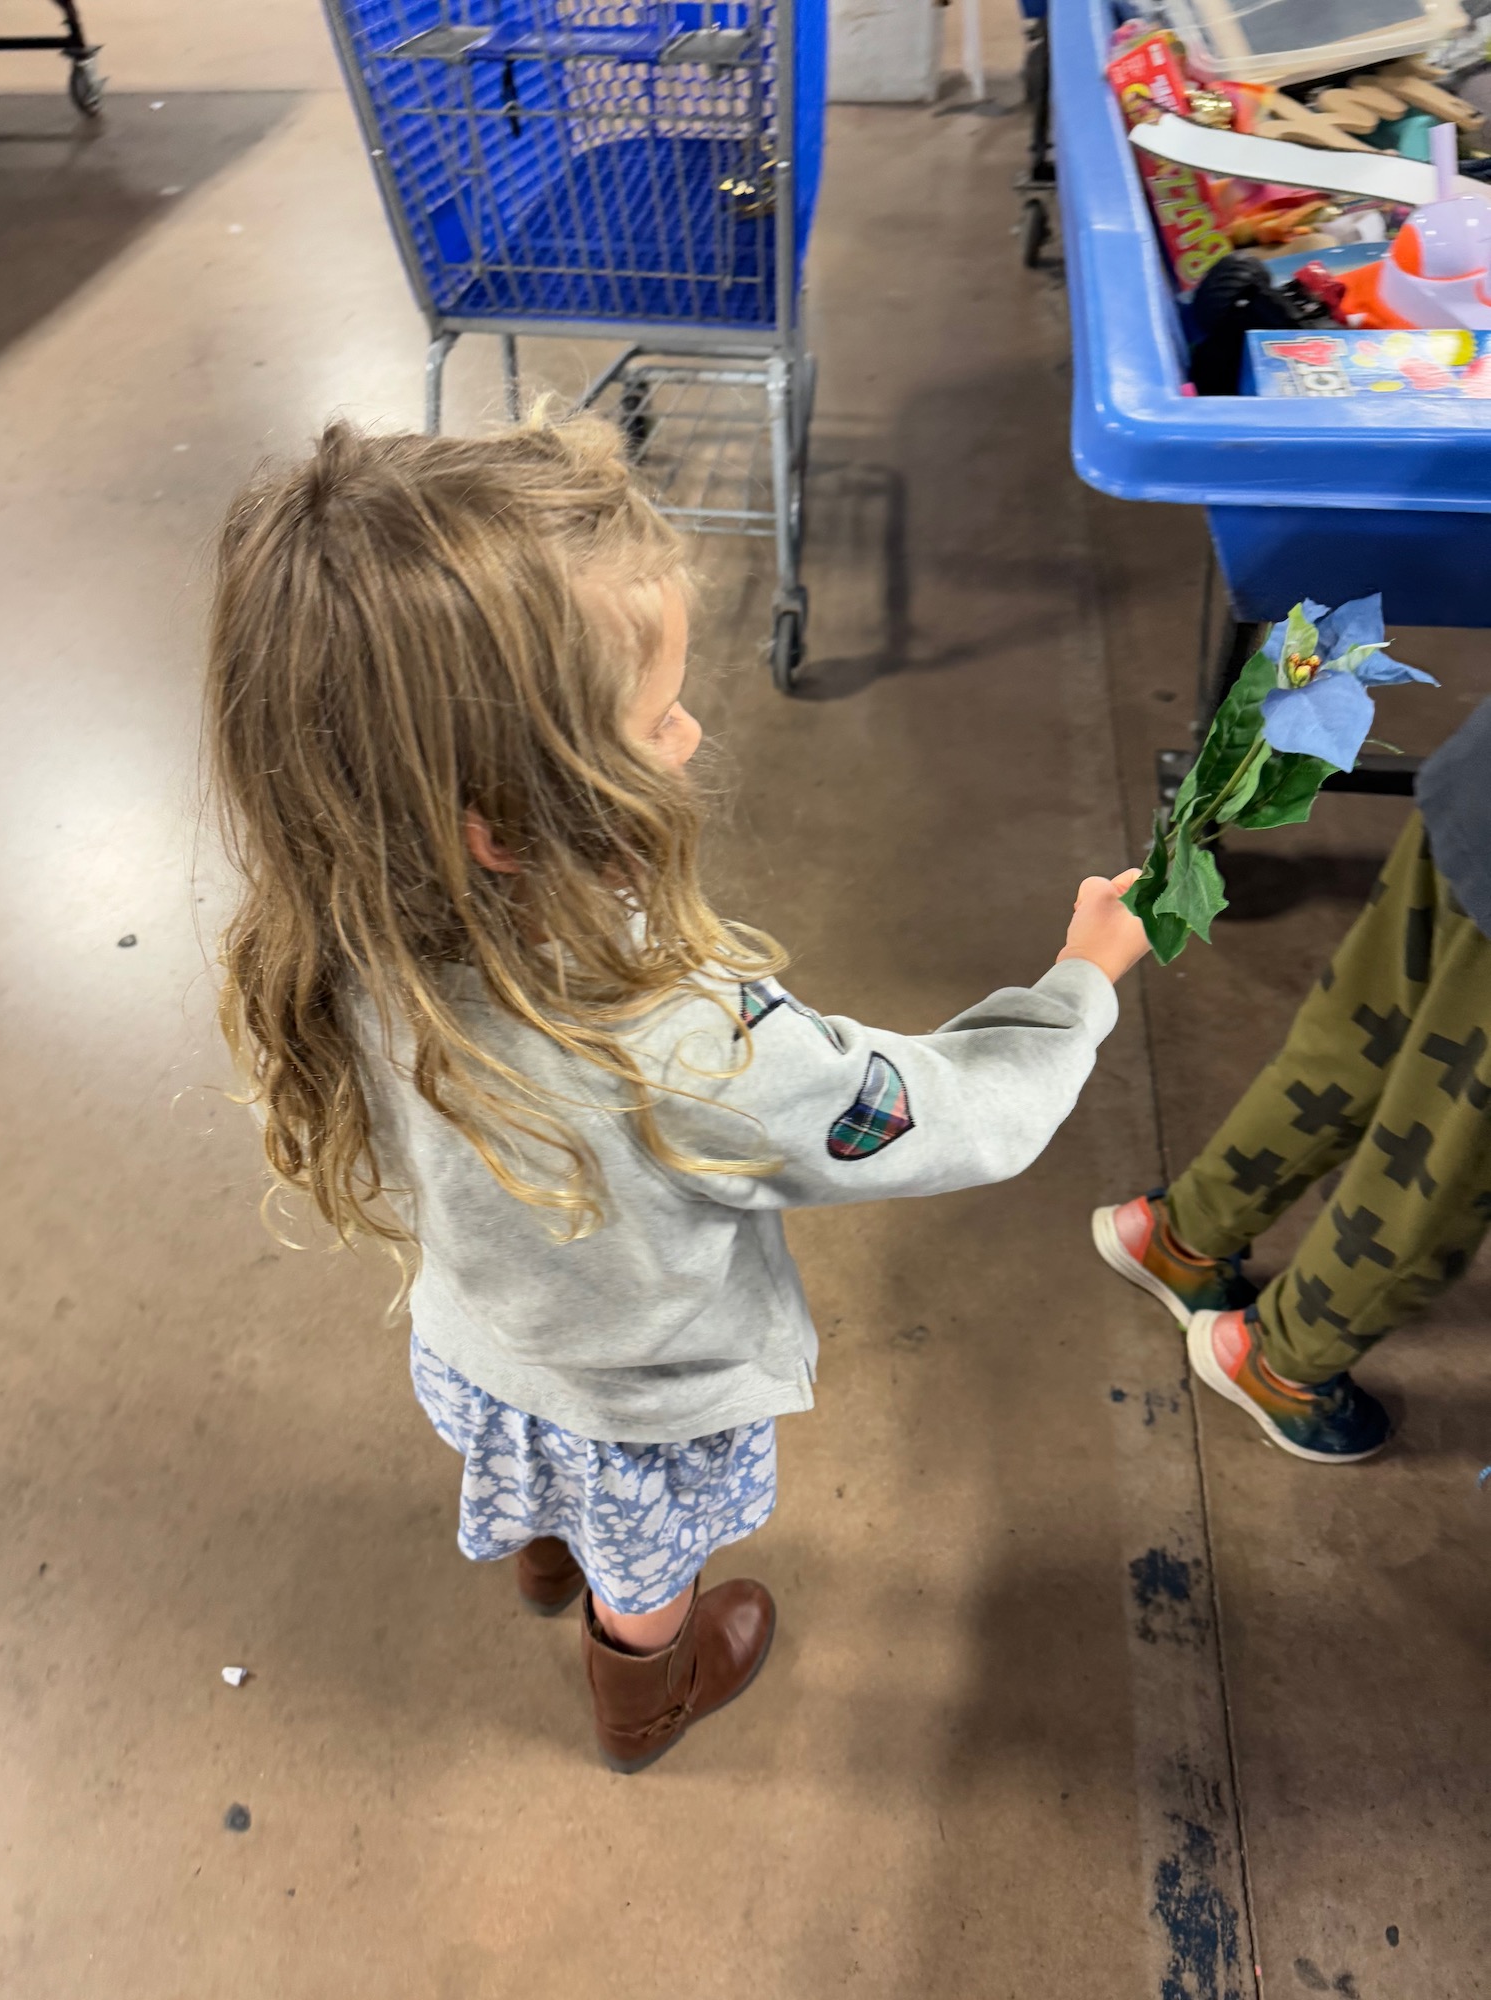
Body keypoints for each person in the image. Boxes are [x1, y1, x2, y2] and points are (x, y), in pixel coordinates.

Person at [207, 413, 1150, 1773]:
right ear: (495, 817)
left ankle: (542, 1555)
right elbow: (951, 1114)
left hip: (479, 1345)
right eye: (655, 720)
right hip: (641, 1400)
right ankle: (646, 1689)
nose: (691, 729)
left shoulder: (342, 923)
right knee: (645, 1571)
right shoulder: (692, 1045)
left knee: (539, 1477)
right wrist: (1077, 985)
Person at [1094, 698, 1491, 1466]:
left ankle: (1181, 1234)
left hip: (1478, 789)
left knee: (1356, 1042)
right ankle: (1283, 1362)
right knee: (1443, 1169)